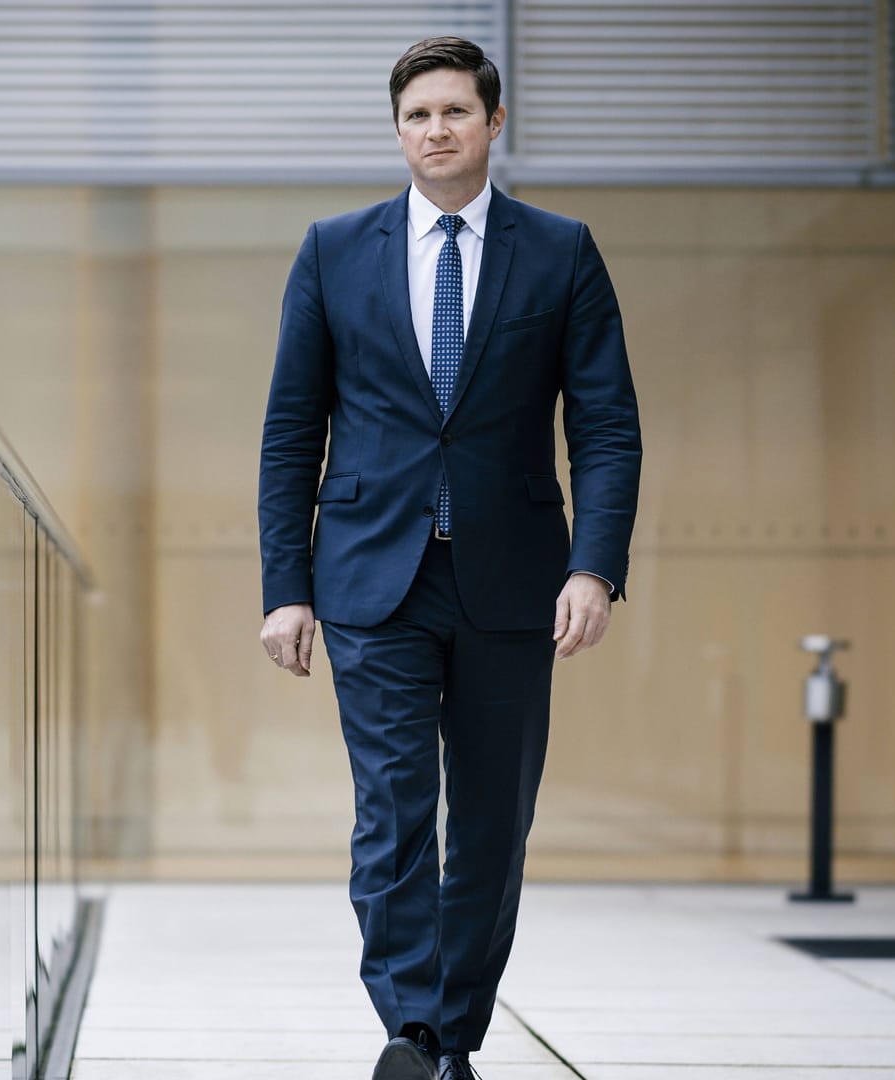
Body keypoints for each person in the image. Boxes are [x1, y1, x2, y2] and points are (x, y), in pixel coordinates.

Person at [255, 36, 641, 1080]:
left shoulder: (560, 252)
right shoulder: (335, 250)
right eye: (419, 115)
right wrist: (285, 588)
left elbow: (605, 428)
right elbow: (294, 429)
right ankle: (414, 1031)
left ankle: (453, 1027)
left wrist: (595, 568)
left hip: (515, 583)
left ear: (493, 123)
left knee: (491, 819)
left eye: (456, 113)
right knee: (391, 812)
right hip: (372, 580)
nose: (437, 130)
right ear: (398, 129)